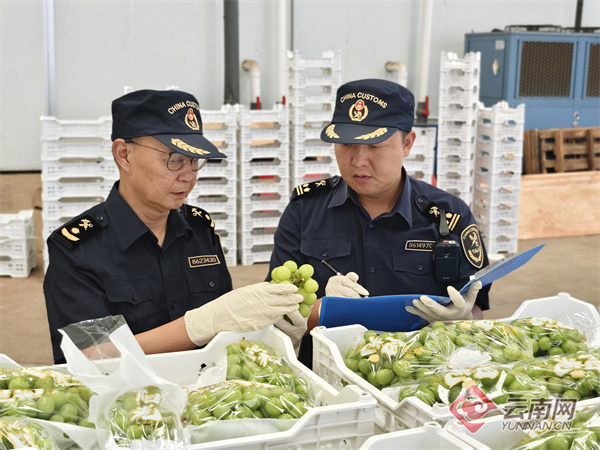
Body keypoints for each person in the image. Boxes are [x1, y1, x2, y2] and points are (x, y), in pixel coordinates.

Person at [44, 89, 305, 364]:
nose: (188, 176)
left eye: (194, 160)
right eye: (175, 159)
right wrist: (194, 328)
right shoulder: (77, 249)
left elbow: (227, 333)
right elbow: (85, 357)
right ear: (124, 155)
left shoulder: (200, 231)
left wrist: (271, 331)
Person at [267, 79, 490, 366]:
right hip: (327, 370)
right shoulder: (304, 210)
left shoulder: (448, 215)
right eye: (347, 144)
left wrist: (461, 319)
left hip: (419, 372)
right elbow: (275, 312)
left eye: (374, 145)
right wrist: (319, 310)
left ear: (407, 143)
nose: (359, 161)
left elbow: (476, 309)